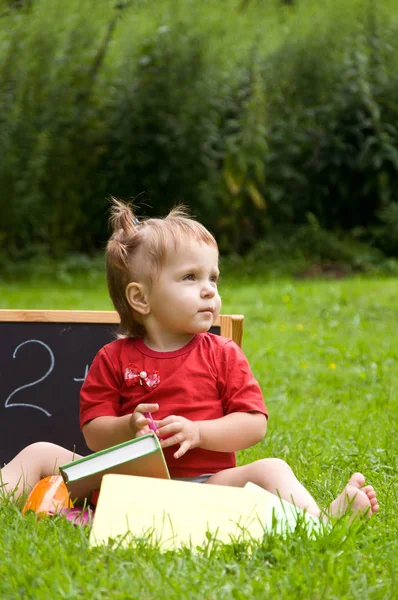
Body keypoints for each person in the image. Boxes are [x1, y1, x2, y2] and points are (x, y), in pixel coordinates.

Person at [1, 199, 379, 521]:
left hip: (207, 487)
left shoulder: (222, 354)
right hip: (127, 485)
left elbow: (253, 425)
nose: (208, 290)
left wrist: (200, 432)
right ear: (141, 299)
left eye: (213, 278)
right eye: (190, 278)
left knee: (272, 468)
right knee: (39, 452)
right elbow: (93, 431)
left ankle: (319, 521)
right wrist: (127, 428)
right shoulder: (113, 358)